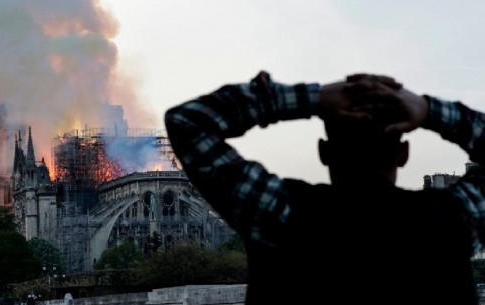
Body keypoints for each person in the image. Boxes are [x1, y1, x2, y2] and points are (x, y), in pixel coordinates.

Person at [164, 71, 485, 305]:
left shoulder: (280, 212)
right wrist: (428, 111)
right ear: (403, 154)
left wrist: (312, 99)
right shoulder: (453, 220)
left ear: (323, 151)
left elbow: (188, 122)